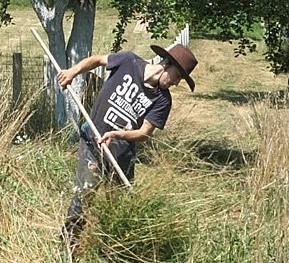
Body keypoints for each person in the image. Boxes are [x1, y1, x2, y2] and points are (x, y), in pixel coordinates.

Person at [55, 43, 198, 251]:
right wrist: (72, 72)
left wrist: (117, 134)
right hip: (92, 142)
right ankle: (67, 250)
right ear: (167, 64)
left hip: (122, 155)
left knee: (118, 208)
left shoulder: (162, 100)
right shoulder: (127, 61)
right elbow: (96, 60)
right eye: (177, 76)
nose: (176, 83)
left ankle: (109, 255)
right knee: (83, 198)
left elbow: (144, 133)